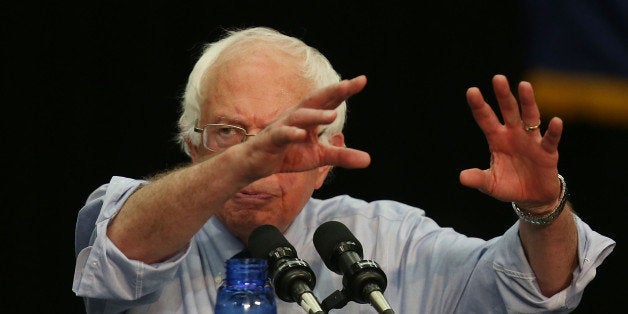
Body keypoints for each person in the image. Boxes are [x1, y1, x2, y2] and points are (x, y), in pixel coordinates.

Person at [72, 26, 615, 313]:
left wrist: (544, 208)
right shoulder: (138, 219)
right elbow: (122, 251)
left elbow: (536, 291)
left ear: (326, 162)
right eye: (230, 134)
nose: (256, 167)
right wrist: (243, 159)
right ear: (193, 145)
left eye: (285, 140)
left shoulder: (392, 240)